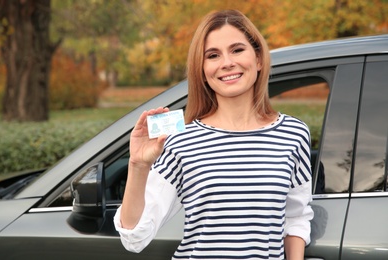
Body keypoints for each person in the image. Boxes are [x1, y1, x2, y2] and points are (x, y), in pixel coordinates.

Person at [114, 9, 313, 260]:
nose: (227, 62)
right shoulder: (180, 138)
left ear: (259, 59)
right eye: (213, 55)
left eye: (237, 50)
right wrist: (138, 165)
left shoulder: (293, 134)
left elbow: (296, 218)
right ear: (202, 70)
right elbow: (134, 237)